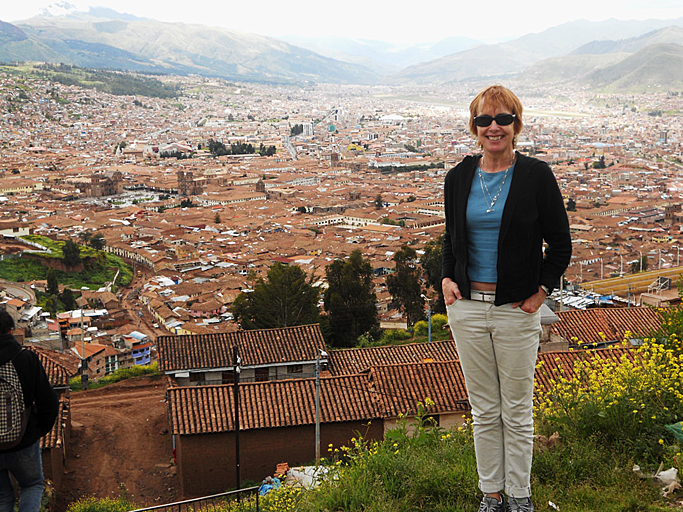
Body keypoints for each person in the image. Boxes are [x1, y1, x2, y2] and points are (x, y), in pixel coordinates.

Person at [441, 85, 571, 512]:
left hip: (517, 309)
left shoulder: (536, 176)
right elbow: (452, 238)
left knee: (516, 409)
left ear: (516, 124)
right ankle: (491, 494)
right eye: (484, 120)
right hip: (468, 309)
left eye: (502, 119)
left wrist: (542, 291)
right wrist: (446, 279)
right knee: (483, 409)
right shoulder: (459, 176)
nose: (493, 127)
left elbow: (561, 243)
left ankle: (519, 496)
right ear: (474, 127)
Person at [0, 311, 59, 512]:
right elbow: (49, 401)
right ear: (10, 330)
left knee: (2, 497)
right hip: (23, 441)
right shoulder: (26, 359)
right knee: (32, 485)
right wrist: (35, 431)